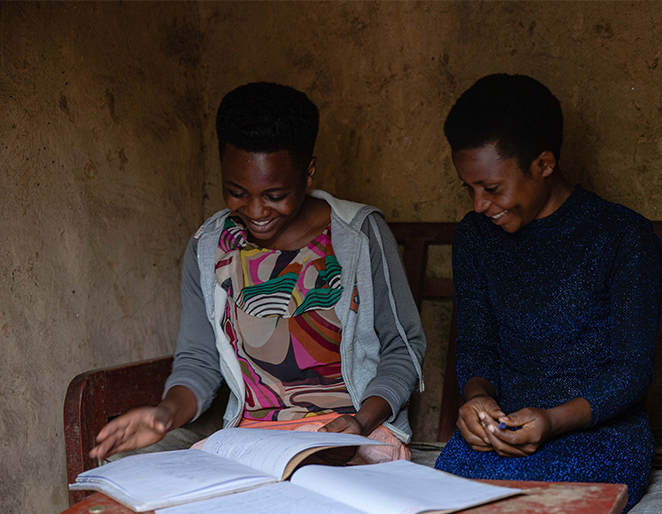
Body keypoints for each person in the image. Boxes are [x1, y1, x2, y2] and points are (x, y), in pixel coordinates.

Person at [90, 82, 425, 464]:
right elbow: (199, 361)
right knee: (137, 469)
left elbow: (403, 347)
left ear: (309, 171)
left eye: (275, 195)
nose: (256, 211)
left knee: (342, 473)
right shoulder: (209, 247)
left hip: (351, 432)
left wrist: (363, 420)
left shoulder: (359, 236)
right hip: (254, 441)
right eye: (236, 191)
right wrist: (164, 415)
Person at [434, 74, 662, 513]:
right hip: (503, 436)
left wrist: (551, 420)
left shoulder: (621, 236)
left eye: (492, 188)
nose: (479, 204)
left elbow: (632, 371)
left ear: (543, 164)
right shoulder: (475, 239)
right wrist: (478, 399)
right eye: (469, 188)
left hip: (602, 436)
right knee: (437, 510)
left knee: (520, 512)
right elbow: (478, 347)